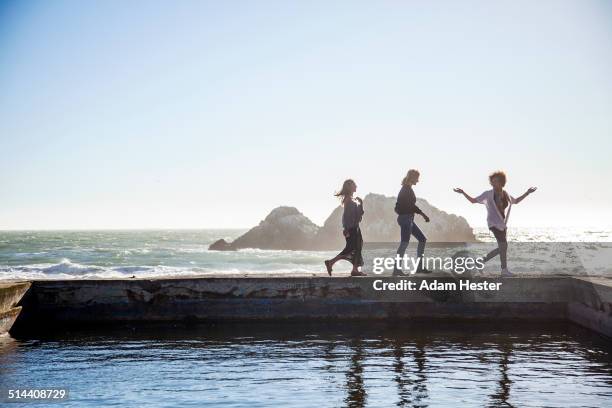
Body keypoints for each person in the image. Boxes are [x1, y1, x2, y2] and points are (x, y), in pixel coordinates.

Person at [454, 171, 536, 277]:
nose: (494, 183)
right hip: (493, 224)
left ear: (502, 182)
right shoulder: (488, 194)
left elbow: (516, 201)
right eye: (492, 181)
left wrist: (527, 193)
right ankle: (503, 270)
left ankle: (481, 262)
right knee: (503, 246)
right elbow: (473, 201)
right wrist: (463, 193)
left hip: (502, 224)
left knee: (503, 247)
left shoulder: (505, 194)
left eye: (496, 181)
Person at [325, 179, 367, 277]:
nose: (356, 186)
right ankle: (330, 262)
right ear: (350, 187)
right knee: (350, 249)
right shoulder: (348, 199)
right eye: (354, 184)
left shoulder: (353, 199)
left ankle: (355, 270)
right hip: (351, 229)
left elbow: (359, 216)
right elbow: (346, 216)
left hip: (355, 228)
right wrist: (346, 229)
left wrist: (361, 204)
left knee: (357, 248)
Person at [393, 169, 430, 276]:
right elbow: (409, 206)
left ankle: (419, 267)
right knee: (404, 243)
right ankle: (397, 270)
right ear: (412, 177)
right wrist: (423, 214)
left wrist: (421, 214)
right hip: (406, 219)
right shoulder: (406, 189)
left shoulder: (407, 188)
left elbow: (402, 206)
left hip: (408, 219)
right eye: (417, 178)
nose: (418, 181)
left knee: (422, 239)